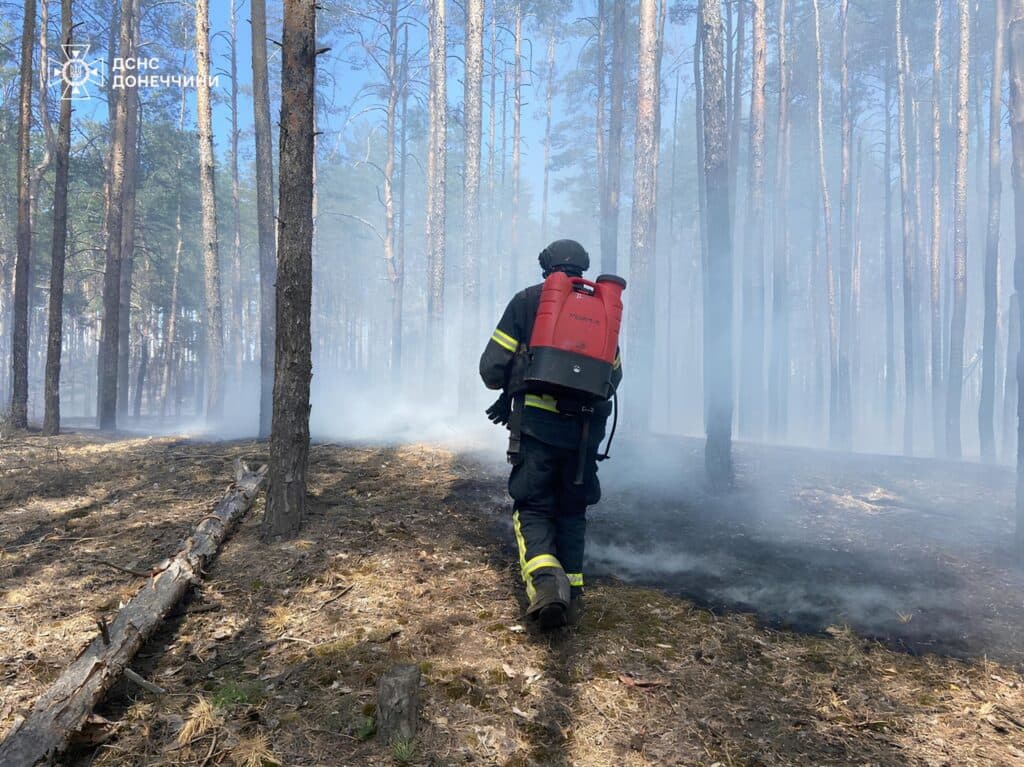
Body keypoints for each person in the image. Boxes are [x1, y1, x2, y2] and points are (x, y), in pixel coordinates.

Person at [479, 239, 622, 630]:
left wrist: (518, 376)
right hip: (586, 432)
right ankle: (572, 588)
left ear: (546, 266)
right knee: (573, 508)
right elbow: (614, 377)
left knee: (535, 506)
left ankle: (546, 586)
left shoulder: (527, 301)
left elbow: (491, 369)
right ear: (583, 268)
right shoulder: (603, 308)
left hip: (537, 429)